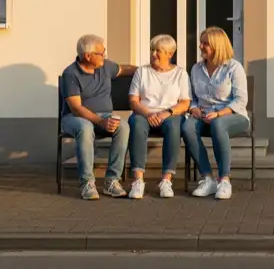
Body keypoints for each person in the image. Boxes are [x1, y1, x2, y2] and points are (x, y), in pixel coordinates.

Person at [60, 34, 137, 200]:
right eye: (101, 53)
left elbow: (124, 69)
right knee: (85, 128)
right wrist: (100, 121)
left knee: (123, 126)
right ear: (88, 56)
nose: (105, 56)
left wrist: (144, 70)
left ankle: (112, 180)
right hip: (74, 118)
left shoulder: (105, 66)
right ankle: (87, 182)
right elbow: (76, 108)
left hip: (104, 115)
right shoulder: (70, 74)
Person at [181, 26, 249, 200]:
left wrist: (219, 115)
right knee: (187, 127)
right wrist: (194, 108)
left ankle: (224, 180)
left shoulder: (234, 68)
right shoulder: (196, 69)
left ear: (217, 46)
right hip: (204, 117)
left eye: (205, 44)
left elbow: (241, 101)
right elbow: (193, 97)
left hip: (233, 116)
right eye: (200, 43)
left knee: (219, 125)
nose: (200, 47)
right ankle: (208, 178)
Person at [127, 34, 191, 199]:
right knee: (137, 124)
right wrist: (148, 113)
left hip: (170, 114)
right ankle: (138, 181)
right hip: (145, 113)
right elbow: (133, 101)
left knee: (174, 126)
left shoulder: (180, 74)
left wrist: (166, 113)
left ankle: (166, 180)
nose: (153, 54)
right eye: (152, 50)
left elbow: (185, 103)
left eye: (158, 51)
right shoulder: (142, 72)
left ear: (170, 54)